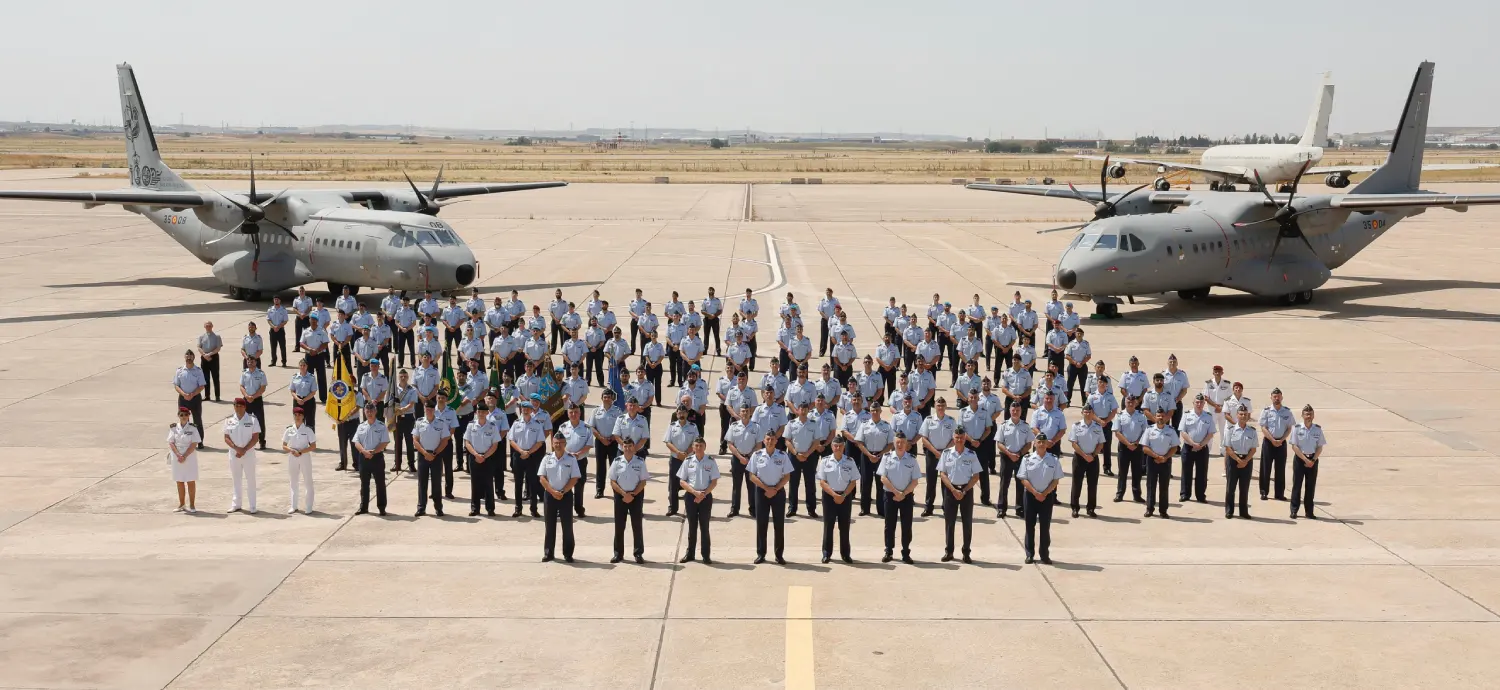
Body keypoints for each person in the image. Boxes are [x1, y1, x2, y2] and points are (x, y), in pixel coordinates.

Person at [747, 430, 793, 564]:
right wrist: (767, 489)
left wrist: (775, 489)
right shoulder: (757, 455)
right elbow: (752, 476)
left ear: (776, 441)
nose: (770, 441)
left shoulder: (782, 455)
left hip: (778, 492)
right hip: (762, 492)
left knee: (779, 525)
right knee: (762, 524)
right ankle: (761, 553)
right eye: (768, 439)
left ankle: (779, 555)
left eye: (772, 439)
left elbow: (787, 476)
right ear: (764, 440)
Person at [1019, 432, 1063, 564]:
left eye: (1044, 442)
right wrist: (1035, 493)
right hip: (1030, 497)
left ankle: (1044, 554)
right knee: (1029, 526)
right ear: (1035, 444)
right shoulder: (1027, 459)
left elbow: (1056, 480)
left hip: (1047, 497)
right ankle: (1029, 554)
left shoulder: (1054, 460)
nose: (1042, 444)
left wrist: (1044, 494)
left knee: (1045, 527)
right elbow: (1023, 478)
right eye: (1039, 442)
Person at [938, 425, 981, 563]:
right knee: (949, 523)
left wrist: (963, 490)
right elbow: (943, 474)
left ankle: (966, 553)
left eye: (962, 438)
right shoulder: (946, 454)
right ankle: (949, 551)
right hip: (951, 492)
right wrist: (953, 490)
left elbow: (976, 476)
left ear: (965, 438)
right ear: (953, 438)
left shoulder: (971, 454)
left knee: (967, 523)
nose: (959, 440)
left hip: (966, 492)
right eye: (957, 438)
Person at [877, 433, 921, 564]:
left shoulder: (912, 459)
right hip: (890, 496)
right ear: (894, 443)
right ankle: (888, 551)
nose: (900, 445)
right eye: (898, 442)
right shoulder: (887, 457)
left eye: (902, 442)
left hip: (906, 497)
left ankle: (906, 552)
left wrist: (903, 493)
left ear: (907, 444)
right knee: (889, 525)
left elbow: (915, 481)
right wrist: (896, 492)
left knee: (906, 526)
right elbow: (883, 478)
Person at [815, 436, 859, 564]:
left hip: (845, 496)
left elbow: (853, 481)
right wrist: (834, 495)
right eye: (835, 446)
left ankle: (845, 554)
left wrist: (843, 495)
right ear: (832, 447)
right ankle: (826, 553)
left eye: (840, 446)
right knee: (828, 526)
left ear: (844, 447)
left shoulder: (850, 461)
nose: (837, 448)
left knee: (844, 527)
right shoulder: (825, 461)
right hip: (829, 497)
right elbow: (822, 482)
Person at [539, 434, 581, 562]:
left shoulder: (571, 459)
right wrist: (552, 492)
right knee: (549, 525)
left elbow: (575, 478)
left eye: (561, 443)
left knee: (567, 526)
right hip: (550, 495)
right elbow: (542, 477)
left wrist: (562, 491)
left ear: (565, 444)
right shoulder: (547, 458)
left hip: (566, 495)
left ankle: (568, 554)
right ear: (552, 443)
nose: (558, 445)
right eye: (556, 443)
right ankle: (548, 553)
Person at [677, 437, 720, 564]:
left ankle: (706, 555)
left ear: (705, 447)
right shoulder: (688, 461)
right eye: (696, 446)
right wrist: (694, 492)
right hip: (691, 496)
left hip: (705, 496)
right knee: (692, 526)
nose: (698, 448)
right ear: (693, 447)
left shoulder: (710, 461)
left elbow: (714, 481)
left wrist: (703, 494)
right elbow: (682, 481)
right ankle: (690, 554)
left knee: (704, 527)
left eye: (701, 446)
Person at [509, 400, 549, 518]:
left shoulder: (537, 424)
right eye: (523, 408)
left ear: (532, 410)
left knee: (533, 483)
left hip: (532, 457)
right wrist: (521, 451)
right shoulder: (516, 423)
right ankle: (518, 508)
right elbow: (511, 440)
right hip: (519, 456)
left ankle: (534, 508)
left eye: (527, 408)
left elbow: (540, 441)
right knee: (518, 483)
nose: (525, 410)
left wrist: (529, 452)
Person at [917, 397, 957, 517]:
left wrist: (943, 452)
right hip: (931, 454)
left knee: (946, 482)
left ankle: (946, 507)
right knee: (931, 482)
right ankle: (929, 507)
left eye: (942, 405)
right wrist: (935, 452)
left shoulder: (951, 421)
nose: (940, 408)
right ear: (935, 406)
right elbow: (924, 438)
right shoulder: (928, 420)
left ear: (945, 407)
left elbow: (954, 438)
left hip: (947, 454)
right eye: (938, 406)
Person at [853, 403, 894, 517]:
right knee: (865, 482)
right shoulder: (864, 425)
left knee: (880, 484)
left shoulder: (886, 426)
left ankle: (881, 510)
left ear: (880, 411)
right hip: (866, 456)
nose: (874, 412)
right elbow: (859, 442)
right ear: (870, 411)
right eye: (872, 410)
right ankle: (865, 509)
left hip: (881, 457)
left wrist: (880, 454)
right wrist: (869, 455)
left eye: (876, 410)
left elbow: (890, 444)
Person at [223, 398, 261, 514]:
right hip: (234, 454)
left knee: (251, 480)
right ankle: (236, 504)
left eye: (240, 405)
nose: (238, 408)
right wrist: (236, 448)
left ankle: (252, 505)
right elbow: (226, 437)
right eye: (236, 405)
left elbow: (255, 438)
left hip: (248, 453)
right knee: (236, 480)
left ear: (245, 407)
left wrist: (244, 449)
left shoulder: (252, 420)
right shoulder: (229, 420)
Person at [1067, 403, 1105, 519]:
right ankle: (1075, 508)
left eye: (1090, 412)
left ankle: (1091, 508)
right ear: (1082, 413)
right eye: (1085, 412)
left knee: (1092, 485)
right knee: (1076, 484)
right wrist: (1084, 455)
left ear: (1093, 414)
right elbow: (1074, 443)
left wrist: (1093, 455)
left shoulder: (1097, 427)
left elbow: (1100, 443)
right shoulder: (1076, 426)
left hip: (1093, 458)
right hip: (1079, 458)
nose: (1087, 414)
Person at [465, 406, 503, 517]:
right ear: (476, 412)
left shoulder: (492, 426)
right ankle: (475, 508)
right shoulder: (471, 425)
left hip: (488, 458)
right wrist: (476, 455)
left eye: (483, 412)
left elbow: (495, 444)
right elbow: (467, 442)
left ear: (487, 413)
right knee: (475, 483)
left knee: (488, 483)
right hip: (474, 457)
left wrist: (484, 456)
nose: (481, 414)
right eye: (479, 411)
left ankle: (490, 508)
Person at [724, 405, 761, 518]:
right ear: (739, 413)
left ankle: (753, 509)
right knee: (736, 485)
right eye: (742, 411)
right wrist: (740, 457)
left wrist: (749, 457)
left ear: (750, 413)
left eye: (747, 411)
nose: (744, 413)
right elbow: (730, 444)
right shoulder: (734, 426)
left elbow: (759, 445)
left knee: (752, 485)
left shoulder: (756, 427)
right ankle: (735, 509)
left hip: (751, 459)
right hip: (737, 459)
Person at [1289, 405, 1326, 519]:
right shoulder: (1297, 428)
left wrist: (1313, 459)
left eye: (1310, 414)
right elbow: (1294, 446)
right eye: (1306, 414)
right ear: (1302, 415)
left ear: (1313, 415)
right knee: (1297, 485)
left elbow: (1320, 446)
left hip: (1313, 460)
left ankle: (1309, 511)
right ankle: (1294, 510)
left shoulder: (1317, 429)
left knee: (1310, 487)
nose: (1308, 416)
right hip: (1300, 460)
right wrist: (1305, 459)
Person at [354, 403, 390, 516]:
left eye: (371, 411)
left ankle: (382, 507)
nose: (369, 413)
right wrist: (364, 451)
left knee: (380, 483)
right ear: (364, 412)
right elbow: (356, 441)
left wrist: (373, 452)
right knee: (364, 484)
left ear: (375, 412)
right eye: (367, 411)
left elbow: (385, 442)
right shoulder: (361, 426)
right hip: (363, 457)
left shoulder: (381, 426)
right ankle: (363, 507)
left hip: (377, 457)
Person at [996, 402, 1031, 518]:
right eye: (1013, 410)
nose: (1015, 412)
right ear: (1010, 411)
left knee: (1020, 484)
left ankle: (1019, 508)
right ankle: (1001, 508)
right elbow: (999, 443)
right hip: (1006, 457)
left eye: (1017, 410)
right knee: (1004, 484)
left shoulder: (1025, 426)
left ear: (1021, 411)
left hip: (1021, 458)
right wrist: (1009, 453)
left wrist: (1019, 453)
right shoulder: (1004, 425)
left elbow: (1029, 444)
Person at [1259, 388, 1295, 501]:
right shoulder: (1266, 411)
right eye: (1274, 396)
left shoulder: (1287, 412)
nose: (1276, 398)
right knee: (1265, 468)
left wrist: (1281, 440)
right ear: (1271, 397)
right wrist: (1272, 440)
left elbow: (1289, 428)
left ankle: (1279, 493)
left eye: (1278, 396)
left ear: (1282, 397)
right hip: (1268, 442)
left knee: (1280, 469)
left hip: (1281, 442)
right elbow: (1263, 427)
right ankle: (1264, 492)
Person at [1179, 394, 1216, 503]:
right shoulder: (1186, 415)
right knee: (1186, 472)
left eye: (1201, 403)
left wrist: (1200, 445)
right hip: (1188, 447)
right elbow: (1183, 431)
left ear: (1204, 404)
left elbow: (1210, 433)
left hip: (1202, 449)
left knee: (1202, 473)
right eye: (1197, 402)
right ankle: (1185, 494)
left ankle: (1200, 496)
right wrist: (1193, 443)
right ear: (1193, 403)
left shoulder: (1208, 416)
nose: (1199, 404)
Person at [413, 403, 448, 517]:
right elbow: (415, 440)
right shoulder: (419, 422)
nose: (428, 411)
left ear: (434, 410)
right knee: (422, 483)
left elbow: (444, 440)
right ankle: (421, 507)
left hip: (436, 455)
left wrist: (435, 453)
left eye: (431, 409)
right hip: (423, 456)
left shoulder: (441, 423)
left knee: (436, 483)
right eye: (427, 409)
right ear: (424, 409)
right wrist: (424, 453)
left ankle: (438, 508)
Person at [1142, 411, 1179, 519]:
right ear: (1155, 417)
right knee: (1150, 485)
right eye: (1158, 416)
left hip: (1166, 461)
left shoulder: (1171, 431)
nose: (1161, 418)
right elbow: (1145, 447)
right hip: (1152, 461)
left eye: (1162, 416)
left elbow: (1174, 447)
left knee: (1164, 486)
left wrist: (1165, 458)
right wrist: (1157, 457)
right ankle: (1150, 509)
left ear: (1166, 418)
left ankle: (1163, 510)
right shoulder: (1149, 430)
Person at [281, 406, 317, 514]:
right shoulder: (289, 430)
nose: (297, 417)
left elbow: (313, 446)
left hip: (304, 456)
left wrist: (301, 452)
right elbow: (284, 445)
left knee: (308, 481)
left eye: (300, 415)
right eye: (295, 415)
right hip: (292, 456)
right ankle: (293, 506)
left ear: (303, 417)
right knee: (293, 481)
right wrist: (292, 450)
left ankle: (309, 506)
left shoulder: (308, 430)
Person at [1224, 406, 1257, 519]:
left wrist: (1245, 461)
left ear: (1247, 416)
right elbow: (1228, 448)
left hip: (1247, 461)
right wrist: (1238, 460)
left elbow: (1253, 449)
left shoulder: (1252, 431)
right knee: (1230, 487)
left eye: (1245, 414)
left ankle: (1243, 511)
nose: (1243, 416)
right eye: (1241, 414)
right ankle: (1229, 510)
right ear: (1237, 415)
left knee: (1244, 488)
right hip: (1233, 461)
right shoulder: (1230, 430)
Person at [1114, 395, 1148, 503]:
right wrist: (1128, 444)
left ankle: (1137, 495)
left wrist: (1137, 443)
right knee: (1122, 472)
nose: (1130, 403)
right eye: (1128, 401)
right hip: (1124, 447)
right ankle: (1120, 494)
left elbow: (1145, 431)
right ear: (1125, 402)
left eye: (1132, 402)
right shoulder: (1119, 415)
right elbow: (1117, 432)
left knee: (1137, 472)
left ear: (1136, 403)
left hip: (1137, 447)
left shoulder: (1141, 416)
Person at [166, 407, 201, 513]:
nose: (184, 417)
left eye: (186, 415)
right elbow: (171, 442)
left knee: (190, 480)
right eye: (181, 415)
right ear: (178, 416)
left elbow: (194, 443)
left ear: (189, 416)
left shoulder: (193, 428)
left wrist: (184, 455)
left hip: (189, 457)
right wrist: (178, 455)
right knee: (179, 480)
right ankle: (181, 504)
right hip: (177, 457)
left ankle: (192, 505)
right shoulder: (174, 428)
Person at [174, 351, 207, 444]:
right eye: (187, 356)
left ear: (193, 357)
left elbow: (201, 386)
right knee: (184, 421)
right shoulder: (180, 370)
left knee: (197, 421)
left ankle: (199, 442)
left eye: (190, 356)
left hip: (195, 398)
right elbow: (176, 385)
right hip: (183, 398)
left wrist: (192, 394)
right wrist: (184, 394)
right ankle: (185, 441)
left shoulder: (198, 370)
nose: (189, 357)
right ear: (184, 357)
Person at [1202, 365, 1232, 455]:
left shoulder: (1226, 384)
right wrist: (1216, 406)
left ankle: (1223, 451)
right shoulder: (1208, 383)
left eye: (1219, 371)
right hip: (1212, 411)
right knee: (1210, 431)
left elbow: (1229, 397)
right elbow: (1206, 397)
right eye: (1216, 371)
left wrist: (1222, 408)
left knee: (1224, 431)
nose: (1217, 373)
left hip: (1223, 410)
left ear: (1222, 372)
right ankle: (1208, 450)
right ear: (1213, 373)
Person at [198, 321, 223, 401]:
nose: (208, 327)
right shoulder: (201, 337)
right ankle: (207, 395)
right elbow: (199, 347)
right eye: (206, 326)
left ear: (212, 326)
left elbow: (218, 348)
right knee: (205, 378)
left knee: (215, 377)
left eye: (209, 326)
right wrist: (204, 355)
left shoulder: (217, 336)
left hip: (214, 357)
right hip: (204, 358)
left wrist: (210, 354)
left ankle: (217, 396)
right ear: (204, 327)